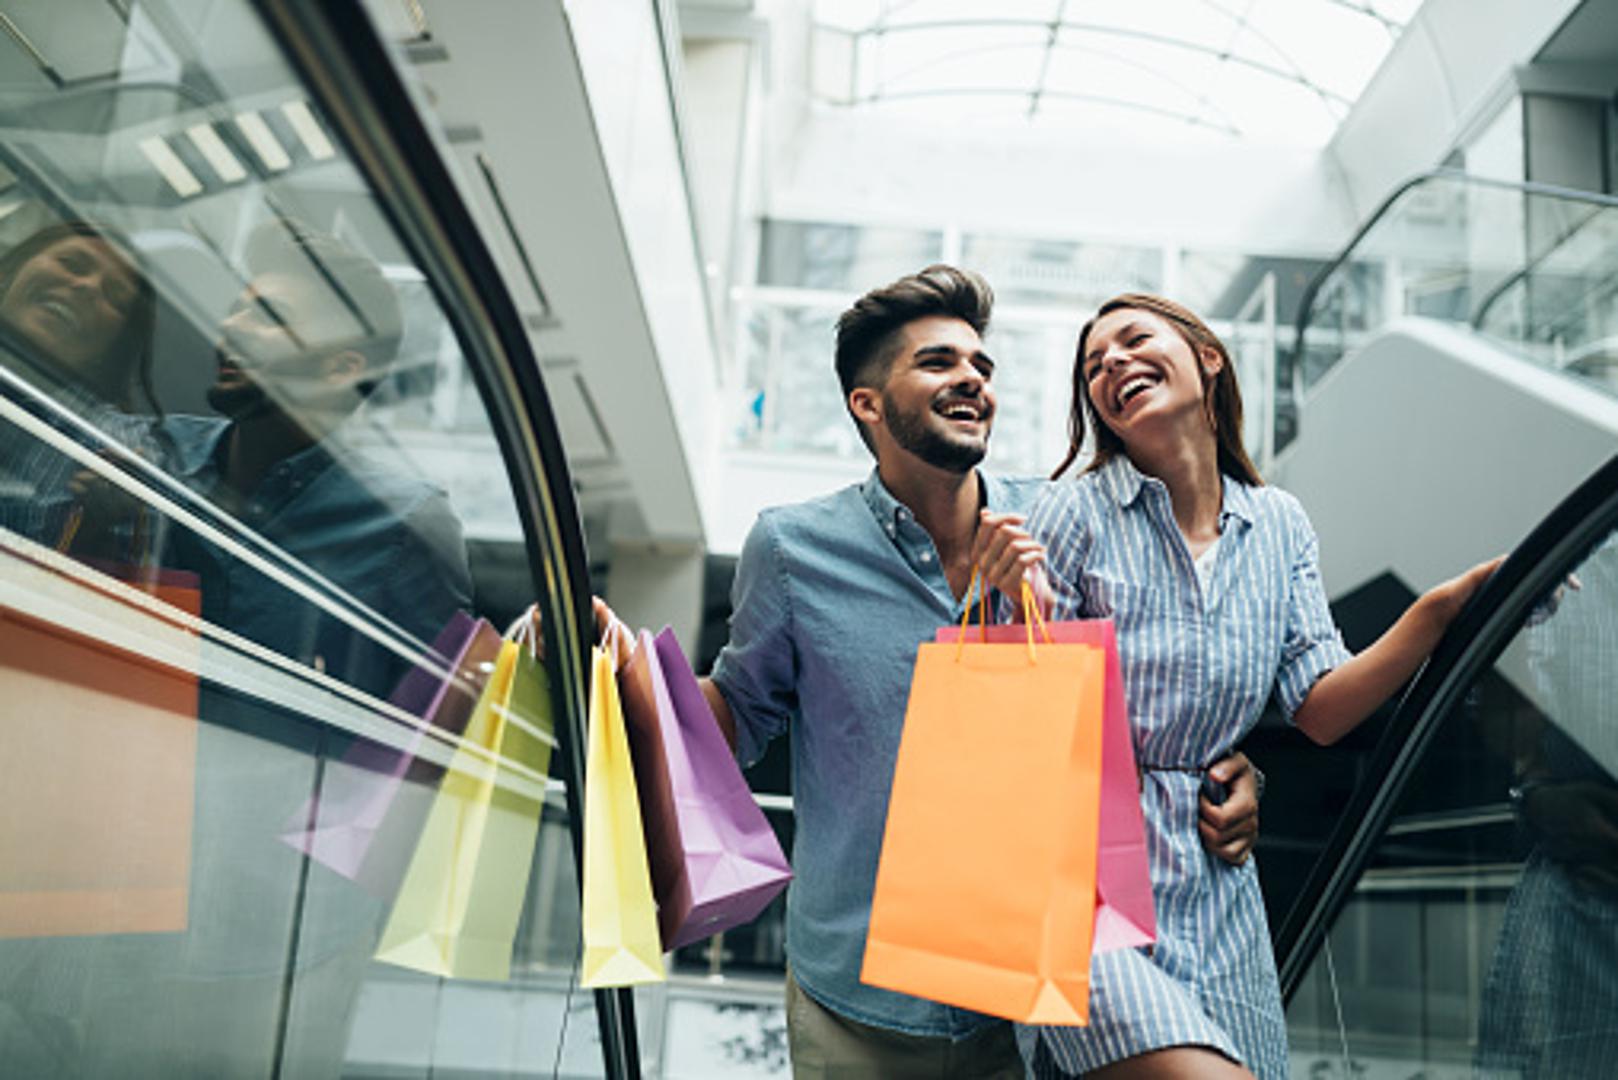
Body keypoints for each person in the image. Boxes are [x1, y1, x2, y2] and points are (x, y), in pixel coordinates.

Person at [601, 267, 1262, 1079]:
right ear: (868, 405)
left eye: (981, 366)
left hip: (1035, 993)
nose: (972, 381)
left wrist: (1236, 769)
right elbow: (733, 721)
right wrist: (623, 668)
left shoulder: (1061, 520)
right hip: (858, 1003)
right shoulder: (792, 549)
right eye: (939, 363)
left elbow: (1160, 689)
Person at [973, 293, 1500, 1080]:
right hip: (1078, 878)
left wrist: (1439, 611)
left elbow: (1320, 706)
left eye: (1134, 339)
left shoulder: (1280, 523)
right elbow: (1006, 696)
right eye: (1093, 366)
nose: (1112, 363)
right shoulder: (1074, 511)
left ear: (1207, 357)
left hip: (1219, 889)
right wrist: (1005, 604)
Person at [0, 219, 167, 562]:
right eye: (72, 264)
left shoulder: (116, 446)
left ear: (113, 346)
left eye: (114, 296)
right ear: (10, 272)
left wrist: (95, 526)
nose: (87, 287)